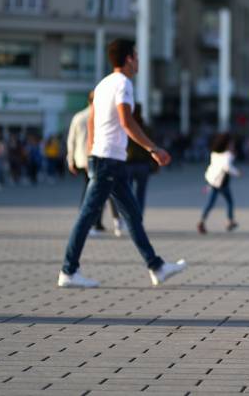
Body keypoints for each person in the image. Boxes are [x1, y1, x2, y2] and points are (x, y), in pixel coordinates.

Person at [58, 39, 185, 288]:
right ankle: (68, 271)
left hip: (108, 160)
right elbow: (127, 122)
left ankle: (157, 267)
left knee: (132, 215)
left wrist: (92, 154)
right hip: (108, 161)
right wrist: (154, 149)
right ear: (128, 59)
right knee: (87, 215)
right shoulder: (123, 84)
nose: (138, 61)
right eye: (136, 56)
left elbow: (92, 122)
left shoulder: (102, 84)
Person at [67, 91, 120, 235]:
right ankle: (92, 223)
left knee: (91, 190)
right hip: (97, 158)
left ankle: (91, 222)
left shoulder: (78, 117)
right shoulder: (102, 116)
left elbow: (71, 140)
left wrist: (70, 160)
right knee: (97, 191)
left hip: (81, 159)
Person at [199, 133, 240, 234]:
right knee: (229, 202)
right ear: (227, 144)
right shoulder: (227, 155)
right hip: (222, 182)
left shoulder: (214, 153)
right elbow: (227, 167)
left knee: (210, 203)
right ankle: (230, 221)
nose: (232, 145)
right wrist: (237, 173)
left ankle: (202, 221)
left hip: (212, 180)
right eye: (231, 144)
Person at [125, 104, 156, 216]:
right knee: (140, 194)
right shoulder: (146, 128)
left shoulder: (126, 128)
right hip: (143, 165)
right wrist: (155, 164)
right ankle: (138, 216)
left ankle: (130, 217)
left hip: (128, 164)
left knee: (127, 193)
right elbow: (152, 146)